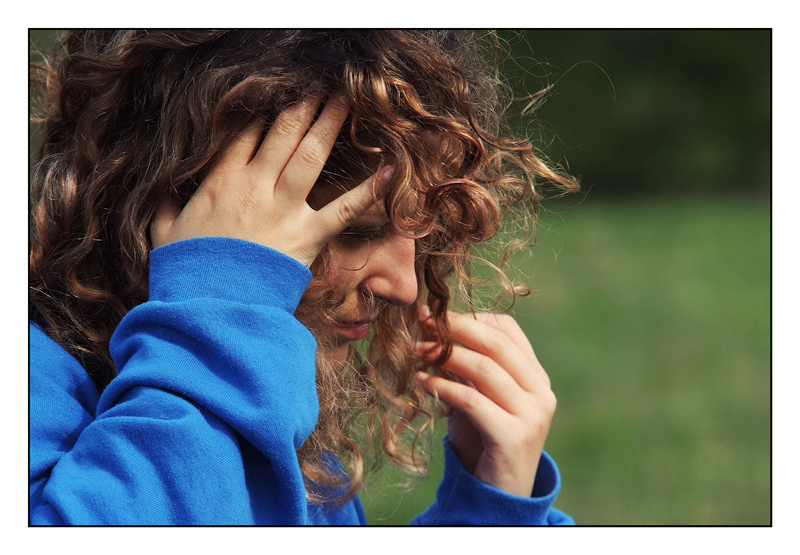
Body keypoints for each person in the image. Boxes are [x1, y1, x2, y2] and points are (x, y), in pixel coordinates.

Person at [29, 30, 580, 525]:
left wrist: (489, 515)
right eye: (356, 232)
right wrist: (218, 322)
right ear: (177, 200)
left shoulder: (260, 399)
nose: (406, 287)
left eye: (424, 233)